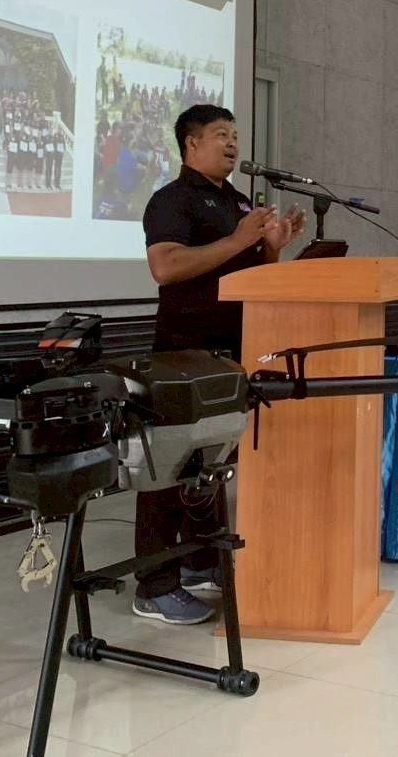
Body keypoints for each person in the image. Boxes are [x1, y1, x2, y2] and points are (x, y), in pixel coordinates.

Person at [132, 105, 306, 624]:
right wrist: (238, 239)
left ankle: (198, 562)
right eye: (220, 135)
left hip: (233, 348)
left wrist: (271, 249)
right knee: (167, 468)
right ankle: (153, 584)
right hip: (183, 354)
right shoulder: (172, 199)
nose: (232, 144)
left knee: (212, 463)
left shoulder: (238, 202)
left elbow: (249, 272)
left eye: (234, 135)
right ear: (191, 143)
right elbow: (165, 267)